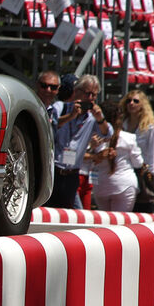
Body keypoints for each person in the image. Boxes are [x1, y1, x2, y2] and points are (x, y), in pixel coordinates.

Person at [45, 75, 112, 209]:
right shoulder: (61, 107)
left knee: (69, 214)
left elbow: (108, 134)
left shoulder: (93, 117)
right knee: (48, 210)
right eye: (88, 94)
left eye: (94, 95)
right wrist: (71, 116)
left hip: (72, 174)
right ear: (76, 92)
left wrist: (100, 118)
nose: (91, 98)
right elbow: (48, 124)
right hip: (53, 171)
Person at [87, 101, 143, 212]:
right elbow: (138, 163)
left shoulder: (94, 139)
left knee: (105, 225)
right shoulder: (129, 138)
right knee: (121, 225)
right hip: (124, 185)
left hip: (100, 186)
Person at [118, 89, 154, 213]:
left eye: (135, 101)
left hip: (142, 171)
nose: (131, 103)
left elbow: (153, 154)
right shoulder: (122, 124)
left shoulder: (151, 127)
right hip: (124, 170)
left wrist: (150, 178)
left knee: (142, 209)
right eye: (128, 101)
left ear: (142, 105)